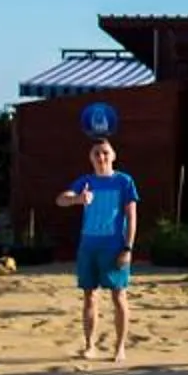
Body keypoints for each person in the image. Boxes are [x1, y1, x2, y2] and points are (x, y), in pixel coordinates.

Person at [54, 140, 137, 361]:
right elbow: (61, 200)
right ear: (91, 158)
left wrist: (127, 248)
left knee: (119, 295)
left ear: (113, 155)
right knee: (90, 296)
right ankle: (90, 345)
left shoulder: (124, 181)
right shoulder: (86, 181)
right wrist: (78, 199)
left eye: (105, 153)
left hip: (114, 247)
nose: (101, 157)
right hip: (88, 247)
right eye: (97, 154)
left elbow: (132, 216)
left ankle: (119, 347)